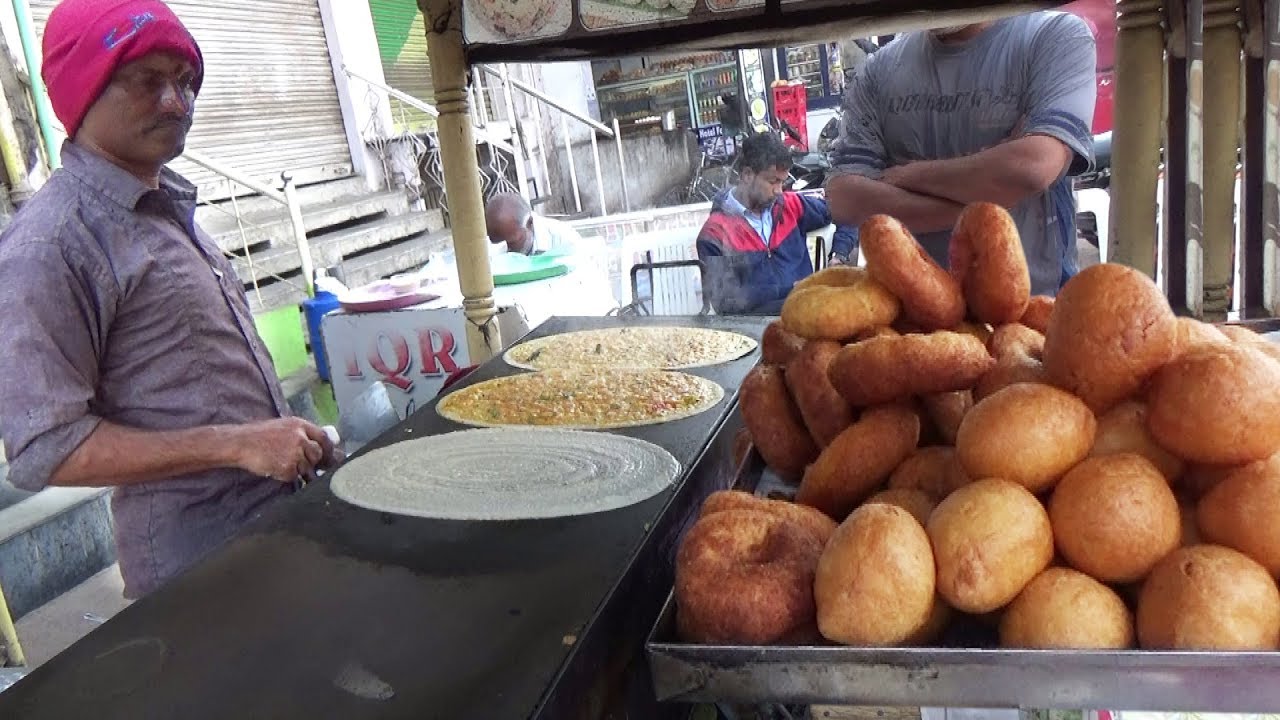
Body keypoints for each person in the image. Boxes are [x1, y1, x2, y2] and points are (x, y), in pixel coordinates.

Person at [0, 0, 340, 599]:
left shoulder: (166, 211)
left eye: (184, 82)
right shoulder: (52, 242)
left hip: (274, 530)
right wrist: (238, 443)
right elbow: (45, 448)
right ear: (84, 92)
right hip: (199, 572)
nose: (176, 102)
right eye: (146, 80)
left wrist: (275, 438)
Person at [826, 12, 1097, 295]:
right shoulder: (878, 70)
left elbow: (1032, 166)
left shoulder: (1054, 35)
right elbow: (844, 199)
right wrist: (992, 191)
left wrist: (907, 175)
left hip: (1033, 311)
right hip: (916, 317)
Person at [696, 132, 834, 314]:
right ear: (747, 175)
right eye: (773, 181)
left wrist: (838, 255)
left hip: (807, 314)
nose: (779, 190)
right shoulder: (714, 235)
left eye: (782, 182)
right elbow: (724, 301)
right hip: (753, 329)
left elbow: (847, 211)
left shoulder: (790, 205)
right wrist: (787, 288)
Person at [485, 192, 585, 256]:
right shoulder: (489, 250)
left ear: (530, 223)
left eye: (512, 242)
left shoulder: (565, 240)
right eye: (499, 242)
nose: (509, 249)